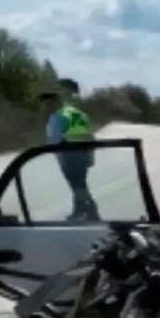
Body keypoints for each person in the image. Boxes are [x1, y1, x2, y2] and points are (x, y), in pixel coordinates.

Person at [41, 86, 100, 221]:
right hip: (84, 153)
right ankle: (79, 211)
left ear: (56, 102)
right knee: (80, 184)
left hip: (69, 154)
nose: (47, 107)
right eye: (46, 104)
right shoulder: (77, 113)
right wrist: (91, 156)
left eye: (49, 104)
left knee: (77, 186)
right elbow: (90, 135)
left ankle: (91, 212)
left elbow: (54, 140)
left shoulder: (57, 116)